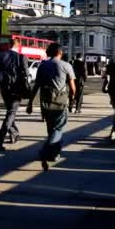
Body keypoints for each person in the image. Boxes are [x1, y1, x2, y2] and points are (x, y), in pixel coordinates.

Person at [27, 43, 76, 171]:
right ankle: (46, 150)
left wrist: (30, 103)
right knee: (59, 128)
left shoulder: (43, 66)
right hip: (60, 102)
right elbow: (72, 86)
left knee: (51, 128)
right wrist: (72, 99)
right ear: (60, 53)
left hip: (45, 102)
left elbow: (36, 85)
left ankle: (53, 154)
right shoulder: (66, 65)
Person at [0, 38, 29, 151]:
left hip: (4, 88)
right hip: (16, 89)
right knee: (11, 113)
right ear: (17, 46)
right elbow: (26, 74)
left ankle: (14, 133)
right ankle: (0, 138)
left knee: (10, 111)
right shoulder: (21, 57)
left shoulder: (0, 55)